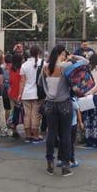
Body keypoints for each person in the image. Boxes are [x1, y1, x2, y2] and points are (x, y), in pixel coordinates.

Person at [39, 45, 86, 177]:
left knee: (51, 133)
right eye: (64, 53)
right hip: (64, 103)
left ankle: (50, 163)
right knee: (65, 134)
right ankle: (65, 165)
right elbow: (85, 62)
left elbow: (40, 83)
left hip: (50, 104)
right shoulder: (65, 66)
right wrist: (74, 56)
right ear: (61, 53)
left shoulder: (45, 67)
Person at [19, 45, 44, 142]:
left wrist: (20, 94)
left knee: (27, 114)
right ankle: (35, 135)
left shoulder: (24, 65)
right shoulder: (43, 63)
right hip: (37, 93)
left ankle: (28, 134)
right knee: (35, 115)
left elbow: (22, 81)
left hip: (26, 93)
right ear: (38, 52)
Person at [83, 53, 97, 148]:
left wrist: (88, 92)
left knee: (88, 117)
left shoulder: (86, 69)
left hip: (86, 96)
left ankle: (89, 138)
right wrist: (93, 92)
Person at [58, 97, 83, 168]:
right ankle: (70, 160)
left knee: (62, 141)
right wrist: (80, 122)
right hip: (72, 125)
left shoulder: (59, 99)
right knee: (70, 143)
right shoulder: (72, 100)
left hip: (62, 124)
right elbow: (78, 110)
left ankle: (60, 159)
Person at [8, 53, 23, 137]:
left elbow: (10, 81)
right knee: (22, 112)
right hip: (20, 93)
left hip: (12, 92)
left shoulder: (11, 69)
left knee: (13, 111)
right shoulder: (22, 69)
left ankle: (14, 129)